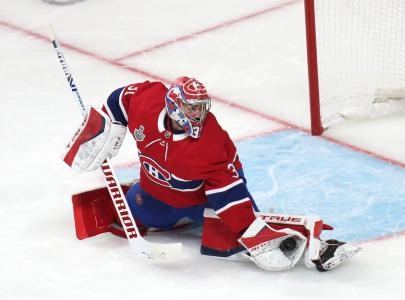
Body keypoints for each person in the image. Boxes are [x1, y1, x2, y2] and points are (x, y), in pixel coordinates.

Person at [63, 76, 360, 271]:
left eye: (201, 108)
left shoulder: (209, 143)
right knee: (136, 213)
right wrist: (109, 126)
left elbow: (228, 194)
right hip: (157, 192)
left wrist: (247, 230)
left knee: (236, 231)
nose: (199, 115)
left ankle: (314, 245)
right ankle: (147, 199)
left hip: (206, 196)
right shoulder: (149, 99)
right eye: (192, 109)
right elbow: (121, 99)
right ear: (173, 106)